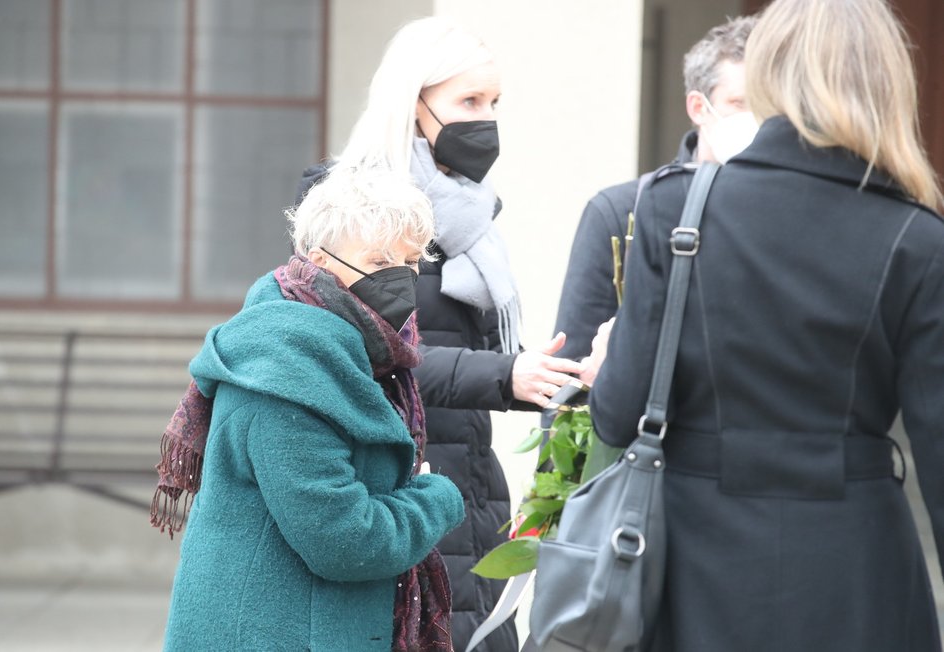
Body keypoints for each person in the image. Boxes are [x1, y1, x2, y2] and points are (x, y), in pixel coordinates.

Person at [588, 0, 944, 649]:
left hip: (695, 567)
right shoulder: (917, 239)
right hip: (857, 569)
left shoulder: (675, 209)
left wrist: (613, 358)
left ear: (771, 73)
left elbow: (615, 418)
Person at [293, 17, 583, 651]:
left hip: (467, 476)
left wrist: (553, 375)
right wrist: (505, 374)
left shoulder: (468, 213)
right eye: (469, 102)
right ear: (412, 102)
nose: (487, 120)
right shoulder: (349, 206)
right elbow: (356, 349)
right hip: (393, 482)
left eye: (495, 102)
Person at [157, 167, 465, 651]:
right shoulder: (289, 370)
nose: (400, 277)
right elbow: (345, 541)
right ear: (320, 260)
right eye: (379, 258)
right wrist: (437, 498)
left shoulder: (359, 354)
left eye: (409, 260)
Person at [554, 16, 757, 374]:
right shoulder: (622, 210)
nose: (756, 119)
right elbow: (572, 372)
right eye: (739, 103)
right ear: (698, 108)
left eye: (767, 104)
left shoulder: (796, 212)